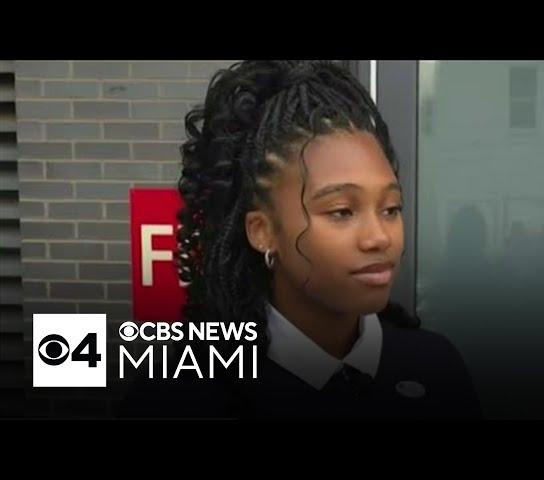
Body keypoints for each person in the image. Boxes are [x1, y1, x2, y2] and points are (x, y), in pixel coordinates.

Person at [117, 60, 482, 420]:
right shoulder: (181, 393)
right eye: (341, 211)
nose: (379, 237)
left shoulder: (436, 368)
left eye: (390, 208)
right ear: (262, 232)